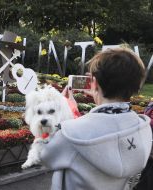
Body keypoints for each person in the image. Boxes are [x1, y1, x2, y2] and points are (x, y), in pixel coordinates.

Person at [40, 48, 152, 190]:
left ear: (94, 82)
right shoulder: (143, 127)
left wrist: (58, 112)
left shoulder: (70, 134)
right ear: (137, 86)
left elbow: (44, 155)